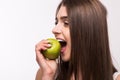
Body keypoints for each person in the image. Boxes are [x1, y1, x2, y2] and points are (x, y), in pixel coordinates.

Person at [35, 0, 120, 80]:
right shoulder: (45, 74)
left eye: (66, 23)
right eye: (56, 22)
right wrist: (48, 75)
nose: (54, 29)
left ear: (88, 30)